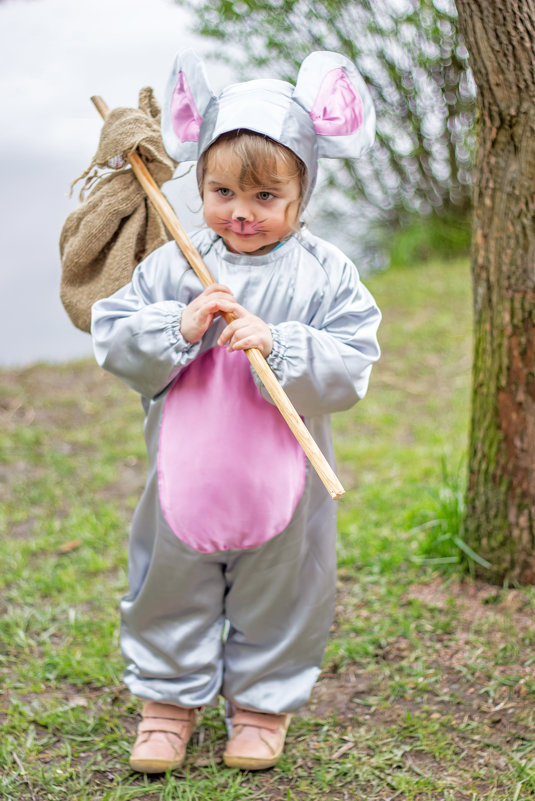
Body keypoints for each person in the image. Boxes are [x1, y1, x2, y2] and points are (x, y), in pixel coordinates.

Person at [91, 49, 381, 773]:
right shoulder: (173, 265)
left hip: (285, 475)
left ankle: (260, 703)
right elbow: (114, 333)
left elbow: (352, 360)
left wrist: (280, 342)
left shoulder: (324, 271)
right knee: (168, 580)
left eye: (264, 197)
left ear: (301, 192)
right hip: (185, 471)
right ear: (199, 185)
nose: (240, 213)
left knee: (284, 587)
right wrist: (177, 328)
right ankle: (166, 701)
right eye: (220, 192)